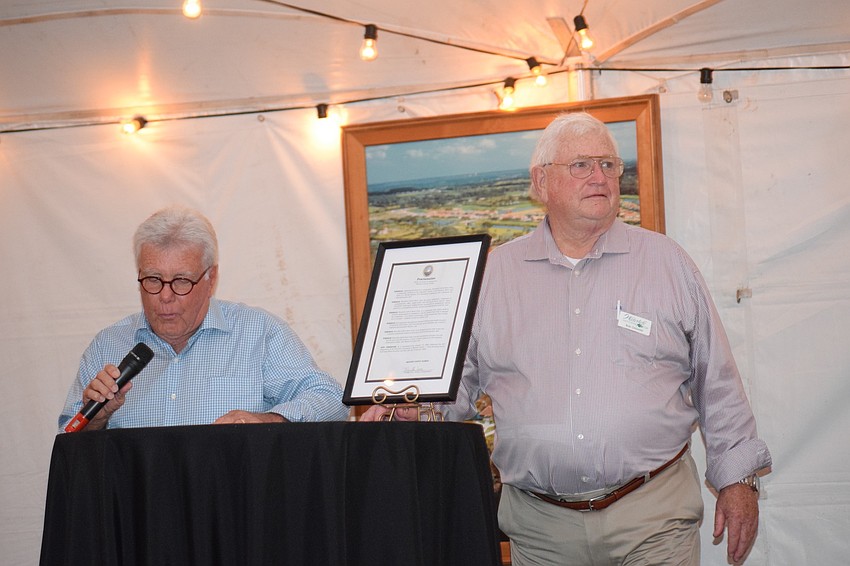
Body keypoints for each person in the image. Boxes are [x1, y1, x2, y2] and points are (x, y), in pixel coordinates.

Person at [362, 112, 772, 565]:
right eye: (581, 165)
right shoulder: (494, 277)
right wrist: (409, 403)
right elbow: (457, 390)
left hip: (653, 515)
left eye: (609, 165)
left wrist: (739, 481)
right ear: (541, 182)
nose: (599, 177)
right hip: (541, 530)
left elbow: (717, 379)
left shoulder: (666, 262)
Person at [59, 205, 349, 431]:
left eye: (182, 281)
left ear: (212, 279)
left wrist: (267, 422)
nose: (165, 295)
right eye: (153, 279)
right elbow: (69, 441)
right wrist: (97, 419)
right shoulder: (108, 346)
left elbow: (332, 400)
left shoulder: (259, 333)